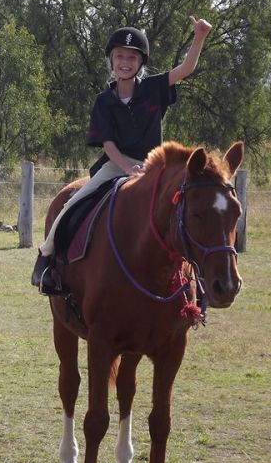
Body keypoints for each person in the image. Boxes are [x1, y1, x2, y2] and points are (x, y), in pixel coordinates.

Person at [31, 17, 212, 294]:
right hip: (116, 165)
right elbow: (109, 145)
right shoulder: (104, 101)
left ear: (140, 62)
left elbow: (186, 69)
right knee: (71, 205)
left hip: (155, 167)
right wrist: (129, 168)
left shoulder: (153, 88)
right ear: (111, 60)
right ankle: (46, 258)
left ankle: (196, 279)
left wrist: (199, 35)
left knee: (187, 209)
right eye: (119, 56)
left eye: (131, 57)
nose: (125, 62)